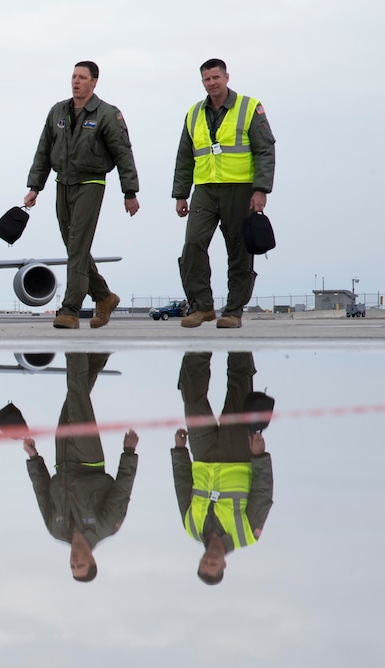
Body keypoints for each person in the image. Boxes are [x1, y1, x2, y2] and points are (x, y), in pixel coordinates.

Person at [24, 61, 141, 330]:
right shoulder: (58, 111)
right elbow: (43, 151)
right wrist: (34, 188)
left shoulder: (107, 114)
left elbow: (124, 153)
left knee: (77, 246)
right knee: (73, 246)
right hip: (62, 183)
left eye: (82, 77)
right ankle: (103, 296)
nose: (76, 81)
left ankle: (70, 309)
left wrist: (129, 191)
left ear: (94, 82)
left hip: (91, 183)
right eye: (73, 76)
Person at [172, 58, 277, 329]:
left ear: (226, 77)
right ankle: (201, 306)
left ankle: (233, 311)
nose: (211, 83)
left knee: (239, 251)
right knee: (193, 244)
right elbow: (184, 157)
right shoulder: (194, 113)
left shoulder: (249, 107)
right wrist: (181, 194)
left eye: (216, 78)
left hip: (240, 189)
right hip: (205, 189)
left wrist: (261, 189)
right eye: (206, 79)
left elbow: (265, 150)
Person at [20, 353, 139, 582]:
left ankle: (99, 354)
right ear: (92, 561)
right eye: (81, 564)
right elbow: (122, 490)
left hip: (62, 460)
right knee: (76, 397)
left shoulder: (56, 530)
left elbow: (42, 493)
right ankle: (75, 345)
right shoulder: (106, 527)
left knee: (74, 400)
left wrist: (34, 458)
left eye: (73, 566)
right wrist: (128, 454)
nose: (75, 561)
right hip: (89, 459)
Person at [171, 351, 275, 585]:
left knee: (192, 400)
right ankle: (239, 342)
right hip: (236, 454)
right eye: (213, 564)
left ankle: (198, 346)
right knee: (239, 392)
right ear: (223, 565)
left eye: (203, 563)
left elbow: (182, 487)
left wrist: (179, 451)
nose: (209, 559)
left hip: (203, 455)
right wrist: (260, 457)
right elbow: (262, 494)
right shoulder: (247, 535)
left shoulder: (191, 528)